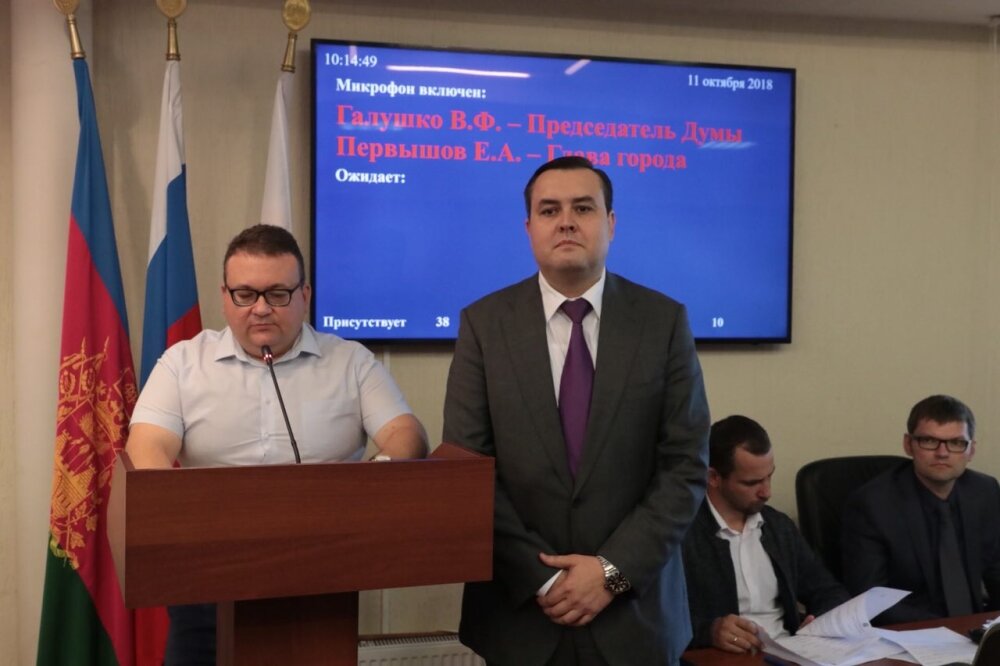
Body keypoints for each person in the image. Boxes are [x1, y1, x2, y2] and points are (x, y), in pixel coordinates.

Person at [442, 156, 710, 666]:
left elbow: (684, 466)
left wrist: (611, 572)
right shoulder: (483, 325)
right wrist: (544, 578)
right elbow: (468, 471)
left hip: (636, 619)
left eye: (583, 208)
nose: (566, 221)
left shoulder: (663, 322)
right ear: (529, 228)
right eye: (550, 210)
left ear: (611, 223)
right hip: (521, 618)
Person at [126, 224, 427, 664]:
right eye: (245, 294)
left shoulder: (351, 362)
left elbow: (407, 435)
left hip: (320, 581)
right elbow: (146, 445)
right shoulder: (183, 363)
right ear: (225, 296)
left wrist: (371, 477)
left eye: (278, 294)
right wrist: (181, 520)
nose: (261, 308)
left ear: (304, 294)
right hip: (206, 582)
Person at [682, 415, 848, 654]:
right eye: (752, 483)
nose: (767, 492)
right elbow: (639, 604)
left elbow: (830, 591)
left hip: (789, 653)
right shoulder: (679, 532)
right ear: (714, 478)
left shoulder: (778, 527)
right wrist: (707, 631)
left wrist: (821, 621)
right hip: (721, 658)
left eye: (769, 476)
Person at [841, 394, 1000, 624]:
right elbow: (869, 597)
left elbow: (996, 569)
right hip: (911, 632)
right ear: (908, 444)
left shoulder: (984, 491)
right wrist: (948, 630)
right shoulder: (872, 505)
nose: (942, 453)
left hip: (977, 629)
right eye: (929, 440)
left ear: (971, 450)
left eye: (956, 443)